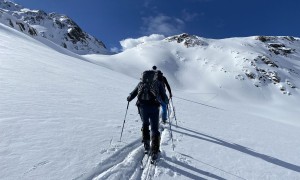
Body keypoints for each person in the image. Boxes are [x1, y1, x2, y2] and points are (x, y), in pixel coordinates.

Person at [127, 70, 167, 160]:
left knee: (145, 125)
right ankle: (155, 151)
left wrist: (129, 98)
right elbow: (165, 98)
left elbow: (132, 94)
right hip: (154, 108)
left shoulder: (141, 83)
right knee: (154, 129)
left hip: (142, 108)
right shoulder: (158, 83)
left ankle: (146, 145)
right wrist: (164, 100)